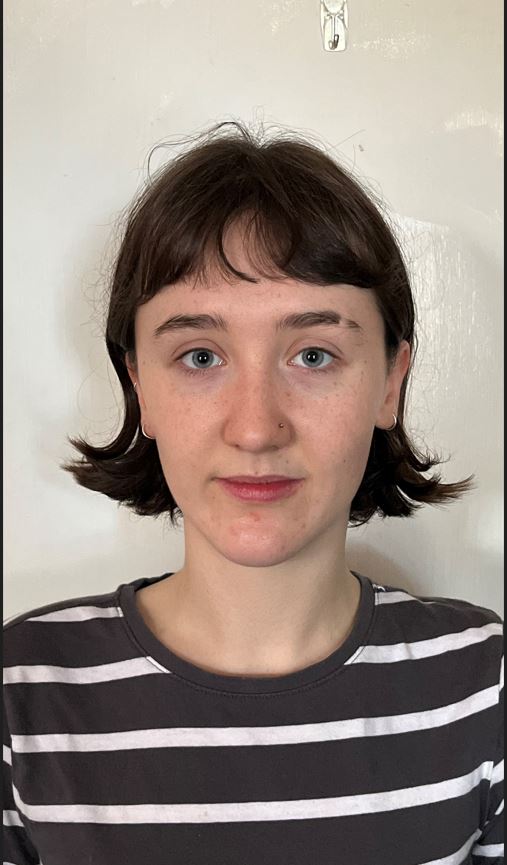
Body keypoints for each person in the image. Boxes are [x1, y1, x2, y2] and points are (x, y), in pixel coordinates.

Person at [3, 121, 503, 864]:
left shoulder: (483, 685)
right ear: (139, 385)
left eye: (313, 355)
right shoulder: (23, 692)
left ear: (389, 382)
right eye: (200, 356)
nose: (256, 427)